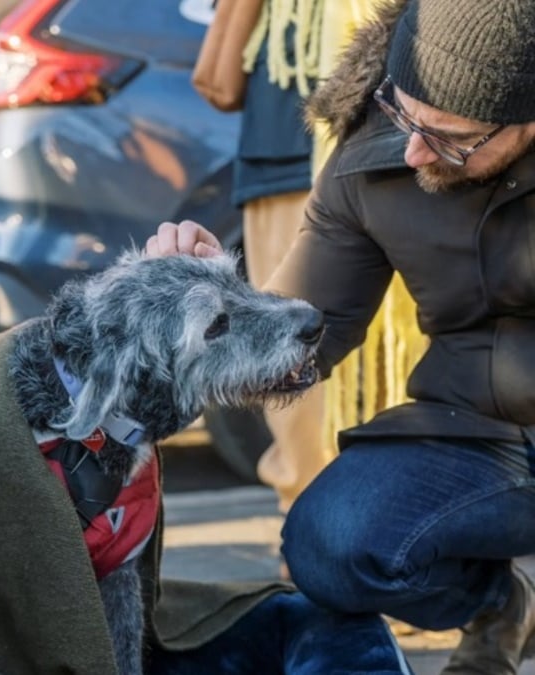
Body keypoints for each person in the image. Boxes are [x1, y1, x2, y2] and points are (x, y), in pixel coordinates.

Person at [148, 0, 535, 672]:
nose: (413, 148)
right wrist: (212, 298)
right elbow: (300, 329)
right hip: (474, 424)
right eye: (404, 112)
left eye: (447, 136)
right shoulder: (374, 156)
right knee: (329, 543)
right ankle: (499, 599)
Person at [228, 0, 334, 535]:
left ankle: (315, 528)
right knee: (290, 343)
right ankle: (313, 530)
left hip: (301, 139)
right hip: (293, 147)